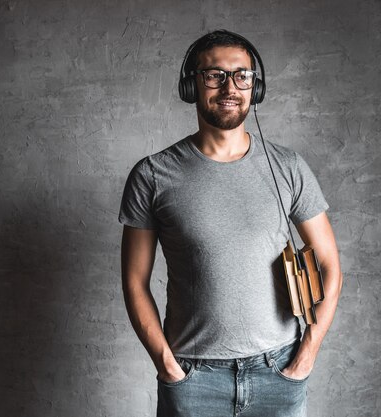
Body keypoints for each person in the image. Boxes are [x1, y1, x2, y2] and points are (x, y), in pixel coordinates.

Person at [119, 29, 343, 417]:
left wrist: (306, 355)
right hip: (194, 378)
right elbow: (135, 282)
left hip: (279, 373)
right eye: (215, 75)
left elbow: (329, 266)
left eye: (242, 76)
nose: (230, 87)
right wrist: (168, 366)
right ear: (192, 85)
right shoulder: (153, 175)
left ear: (255, 88)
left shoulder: (288, 167)